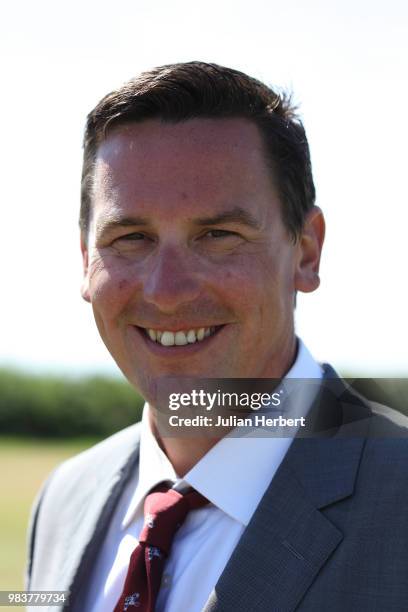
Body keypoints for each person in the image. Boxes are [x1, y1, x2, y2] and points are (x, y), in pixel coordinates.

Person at [26, 62, 408, 612]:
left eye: (219, 235)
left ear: (306, 250)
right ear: (86, 261)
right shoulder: (65, 500)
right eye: (131, 237)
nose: (167, 291)